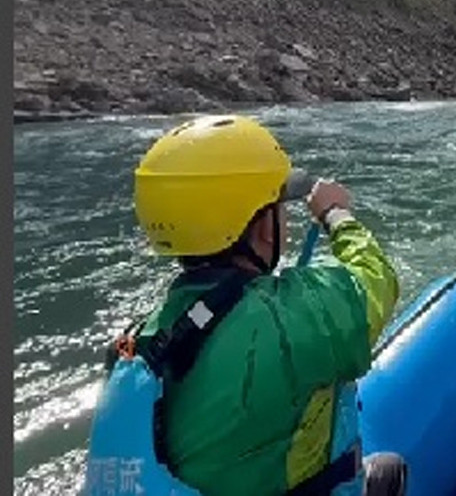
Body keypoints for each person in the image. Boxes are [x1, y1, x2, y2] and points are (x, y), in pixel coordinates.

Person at [84, 114, 404, 496]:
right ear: (265, 228)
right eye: (277, 208)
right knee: (390, 470)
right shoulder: (291, 315)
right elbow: (375, 279)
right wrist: (337, 215)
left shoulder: (143, 337)